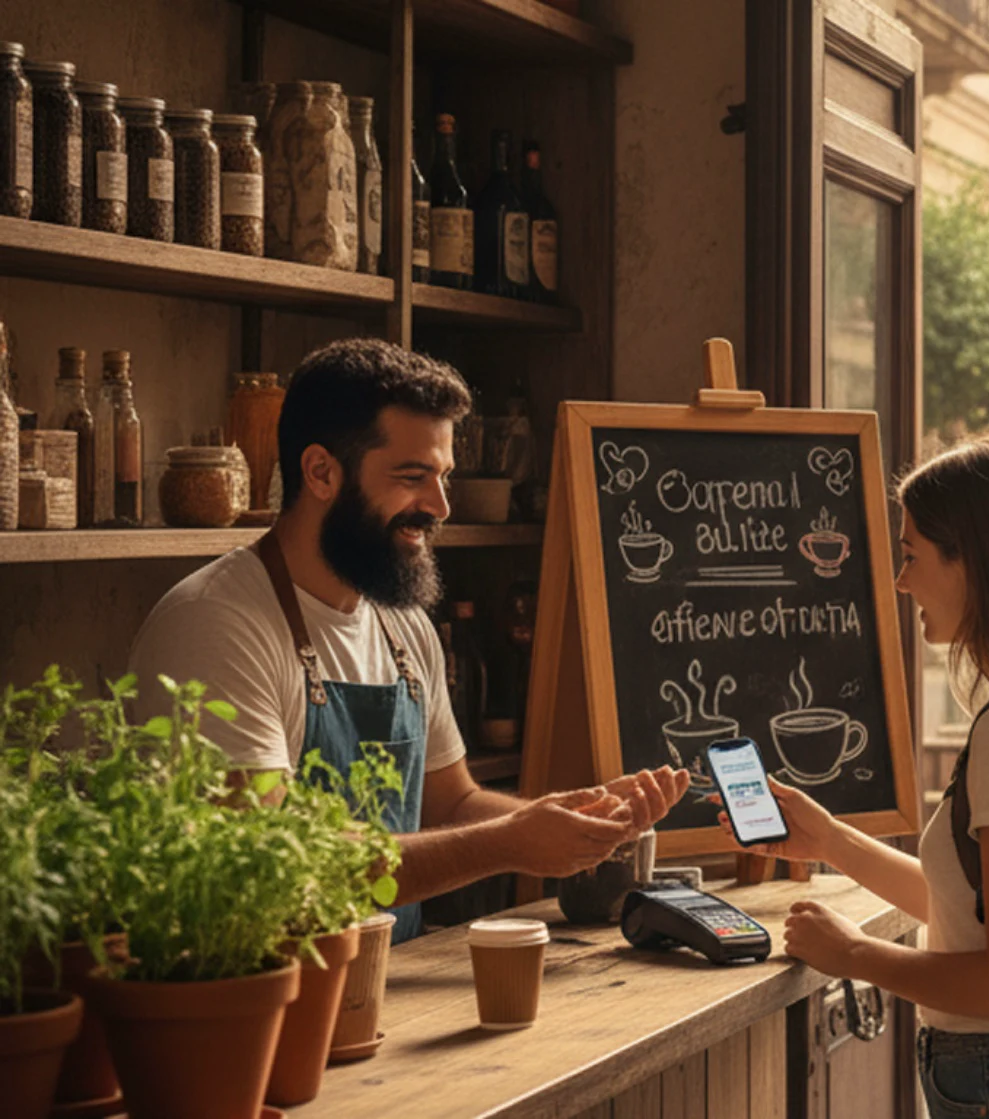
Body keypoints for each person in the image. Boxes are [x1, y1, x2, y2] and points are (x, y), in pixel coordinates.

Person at [129, 340, 687, 943]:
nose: (440, 507)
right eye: (412, 477)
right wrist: (511, 842)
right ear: (321, 472)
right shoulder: (218, 624)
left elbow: (447, 807)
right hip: (269, 1008)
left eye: (443, 478)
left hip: (394, 983)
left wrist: (574, 823)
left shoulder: (403, 624)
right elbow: (271, 870)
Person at [719, 436, 989, 1114]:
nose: (900, 579)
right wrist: (831, 840)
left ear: (973, 561)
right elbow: (976, 914)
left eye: (912, 554)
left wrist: (853, 954)